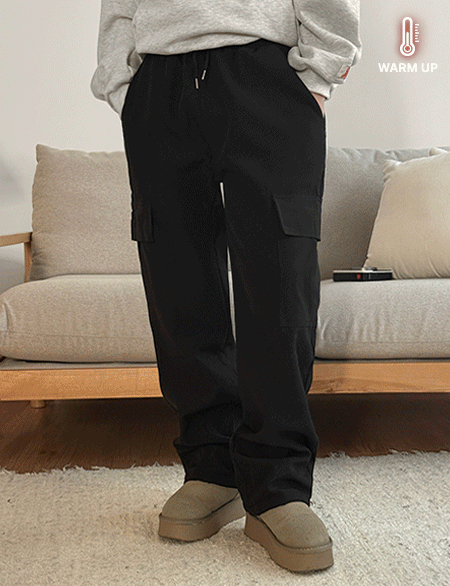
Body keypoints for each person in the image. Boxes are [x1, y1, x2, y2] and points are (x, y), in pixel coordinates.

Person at [91, 0, 362, 573]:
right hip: (158, 81)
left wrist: (318, 73)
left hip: (269, 74)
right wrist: (124, 85)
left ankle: (278, 485)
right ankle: (211, 467)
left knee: (280, 282)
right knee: (177, 279)